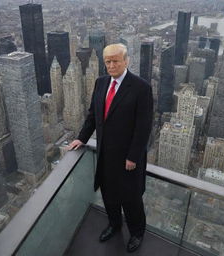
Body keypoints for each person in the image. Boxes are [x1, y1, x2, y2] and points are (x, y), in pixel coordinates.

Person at [69, 43, 153, 252]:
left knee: (131, 199)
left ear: (126, 61)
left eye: (116, 60)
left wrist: (133, 157)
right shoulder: (100, 83)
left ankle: (136, 232)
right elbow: (92, 116)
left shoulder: (141, 88)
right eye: (108, 61)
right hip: (106, 155)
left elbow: (143, 127)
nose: (111, 65)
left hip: (128, 159)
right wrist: (82, 138)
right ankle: (114, 224)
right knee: (109, 195)